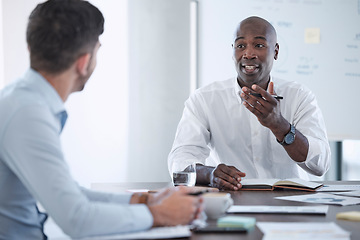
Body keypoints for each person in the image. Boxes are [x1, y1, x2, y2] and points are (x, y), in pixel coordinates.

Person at [0, 0, 203, 239]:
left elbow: (68, 193)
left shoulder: (21, 101)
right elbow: (78, 218)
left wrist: (145, 201)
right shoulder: (28, 114)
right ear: (84, 63)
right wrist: (159, 214)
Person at [168, 16, 331, 191]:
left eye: (259, 45)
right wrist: (210, 174)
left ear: (275, 51)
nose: (248, 54)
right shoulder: (204, 99)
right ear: (233, 52)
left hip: (291, 200)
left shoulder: (299, 96)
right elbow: (179, 164)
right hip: (230, 200)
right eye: (240, 46)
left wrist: (280, 126)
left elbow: (320, 164)